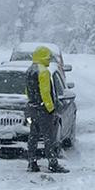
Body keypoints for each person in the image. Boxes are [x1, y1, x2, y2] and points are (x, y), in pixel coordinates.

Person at [25, 46, 68, 174]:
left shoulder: (30, 70)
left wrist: (32, 102)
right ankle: (53, 164)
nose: (49, 59)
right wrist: (50, 108)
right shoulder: (44, 71)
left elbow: (27, 90)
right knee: (49, 138)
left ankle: (32, 162)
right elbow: (45, 92)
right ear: (43, 57)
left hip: (32, 108)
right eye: (48, 57)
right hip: (43, 109)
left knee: (33, 136)